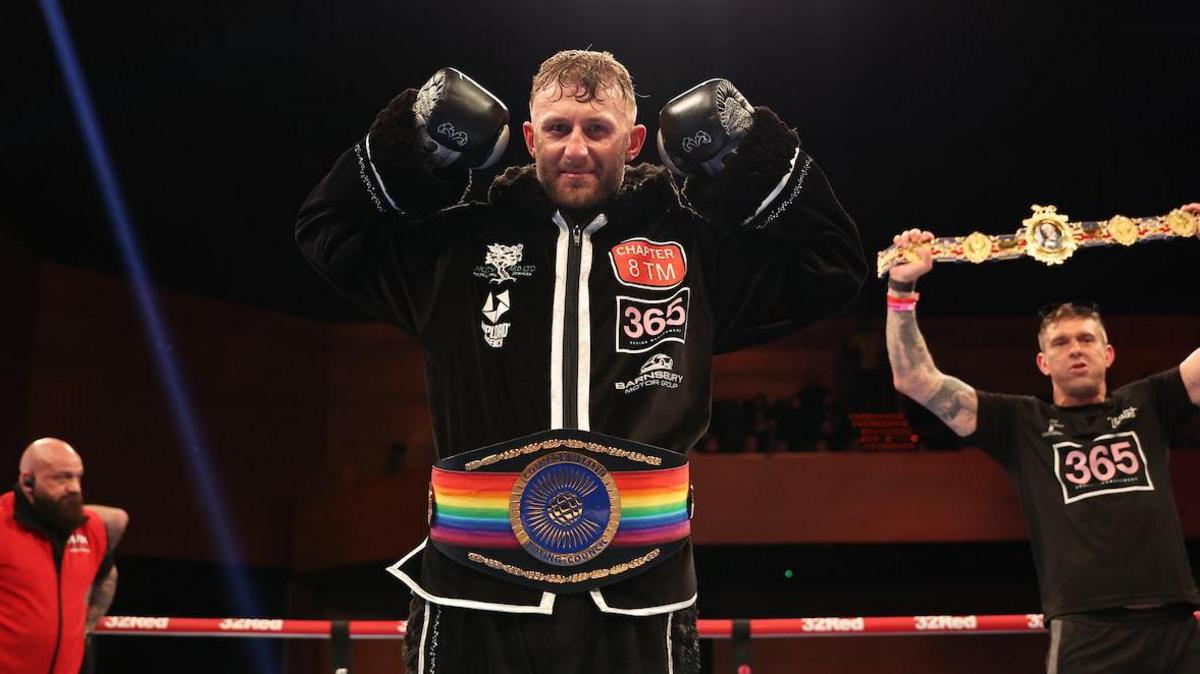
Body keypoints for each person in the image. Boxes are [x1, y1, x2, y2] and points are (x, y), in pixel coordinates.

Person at [297, 50, 865, 673]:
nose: (575, 148)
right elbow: (328, 229)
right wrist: (414, 146)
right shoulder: (454, 253)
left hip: (638, 602)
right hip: (473, 597)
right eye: (559, 128)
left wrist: (755, 160)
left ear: (635, 141)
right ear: (529, 136)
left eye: (597, 130)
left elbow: (832, 264)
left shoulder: (693, 255)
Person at [884, 203, 1200, 674]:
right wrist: (901, 288)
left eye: (1087, 339)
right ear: (1042, 363)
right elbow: (916, 380)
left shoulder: (1150, 402)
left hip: (1175, 622)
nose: (1075, 349)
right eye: (1060, 342)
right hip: (1086, 632)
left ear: (1108, 353)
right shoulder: (1019, 423)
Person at [0, 438, 129, 674]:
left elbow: (106, 575)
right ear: (27, 481)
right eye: (62, 478)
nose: (74, 488)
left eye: (78, 477)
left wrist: (87, 626)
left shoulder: (90, 529)